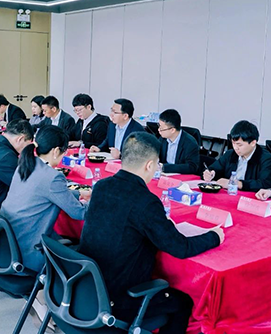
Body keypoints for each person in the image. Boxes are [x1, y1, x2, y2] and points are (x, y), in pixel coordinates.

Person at [79, 132, 223, 333]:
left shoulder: (102, 186)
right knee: (182, 303)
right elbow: (180, 248)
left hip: (86, 288)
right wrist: (215, 236)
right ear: (149, 165)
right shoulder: (145, 201)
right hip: (118, 299)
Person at [0, 126, 89, 272]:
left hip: (8, 247)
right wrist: (97, 200)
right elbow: (79, 213)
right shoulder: (53, 177)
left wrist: (78, 194)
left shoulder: (26, 164)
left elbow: (44, 191)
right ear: (56, 151)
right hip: (29, 253)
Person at [203, 120, 271, 192]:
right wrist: (211, 173)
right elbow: (215, 168)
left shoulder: (266, 159)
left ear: (253, 143)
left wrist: (238, 184)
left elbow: (265, 184)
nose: (235, 148)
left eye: (239, 145)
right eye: (233, 143)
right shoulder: (230, 154)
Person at [157, 109, 200, 175]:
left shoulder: (190, 143)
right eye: (159, 126)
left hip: (181, 177)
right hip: (164, 175)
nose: (158, 130)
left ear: (172, 130)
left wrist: (164, 167)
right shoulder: (162, 139)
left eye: (161, 128)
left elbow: (192, 167)